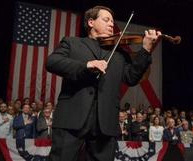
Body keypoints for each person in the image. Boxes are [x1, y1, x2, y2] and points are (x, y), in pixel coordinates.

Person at [46, 5, 161, 161]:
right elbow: (52, 62)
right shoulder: (72, 43)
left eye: (112, 22)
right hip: (72, 118)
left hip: (105, 122)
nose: (111, 24)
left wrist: (146, 49)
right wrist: (86, 65)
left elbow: (131, 78)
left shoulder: (119, 53)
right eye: (106, 20)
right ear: (91, 22)